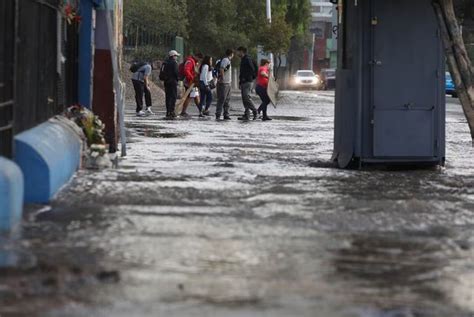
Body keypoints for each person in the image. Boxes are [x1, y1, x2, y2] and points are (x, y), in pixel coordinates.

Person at [236, 46, 257, 121]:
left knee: (246, 97)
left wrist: (249, 78)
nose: (237, 53)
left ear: (242, 51)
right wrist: (240, 81)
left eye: (238, 51)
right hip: (243, 81)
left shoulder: (247, 59)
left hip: (247, 81)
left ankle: (255, 111)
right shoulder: (243, 59)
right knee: (244, 99)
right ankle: (247, 114)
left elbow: (252, 69)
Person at [181, 52, 203, 117]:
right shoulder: (190, 61)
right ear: (196, 56)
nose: (199, 60)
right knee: (189, 96)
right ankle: (183, 111)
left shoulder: (193, 61)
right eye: (199, 59)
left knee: (195, 96)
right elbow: (186, 70)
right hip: (190, 82)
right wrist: (192, 78)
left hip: (192, 82)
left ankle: (200, 111)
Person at [160, 50, 180, 119]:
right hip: (173, 82)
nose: (176, 57)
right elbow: (176, 72)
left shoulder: (165, 63)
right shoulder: (174, 63)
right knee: (173, 97)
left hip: (166, 81)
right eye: (176, 56)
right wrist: (178, 78)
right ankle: (172, 111)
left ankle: (168, 111)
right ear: (173, 56)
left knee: (168, 97)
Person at [215, 49, 234, 121]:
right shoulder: (226, 60)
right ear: (231, 54)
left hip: (228, 83)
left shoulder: (228, 60)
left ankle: (226, 114)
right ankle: (218, 114)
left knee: (227, 100)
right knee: (222, 99)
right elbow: (222, 69)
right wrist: (222, 78)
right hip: (224, 83)